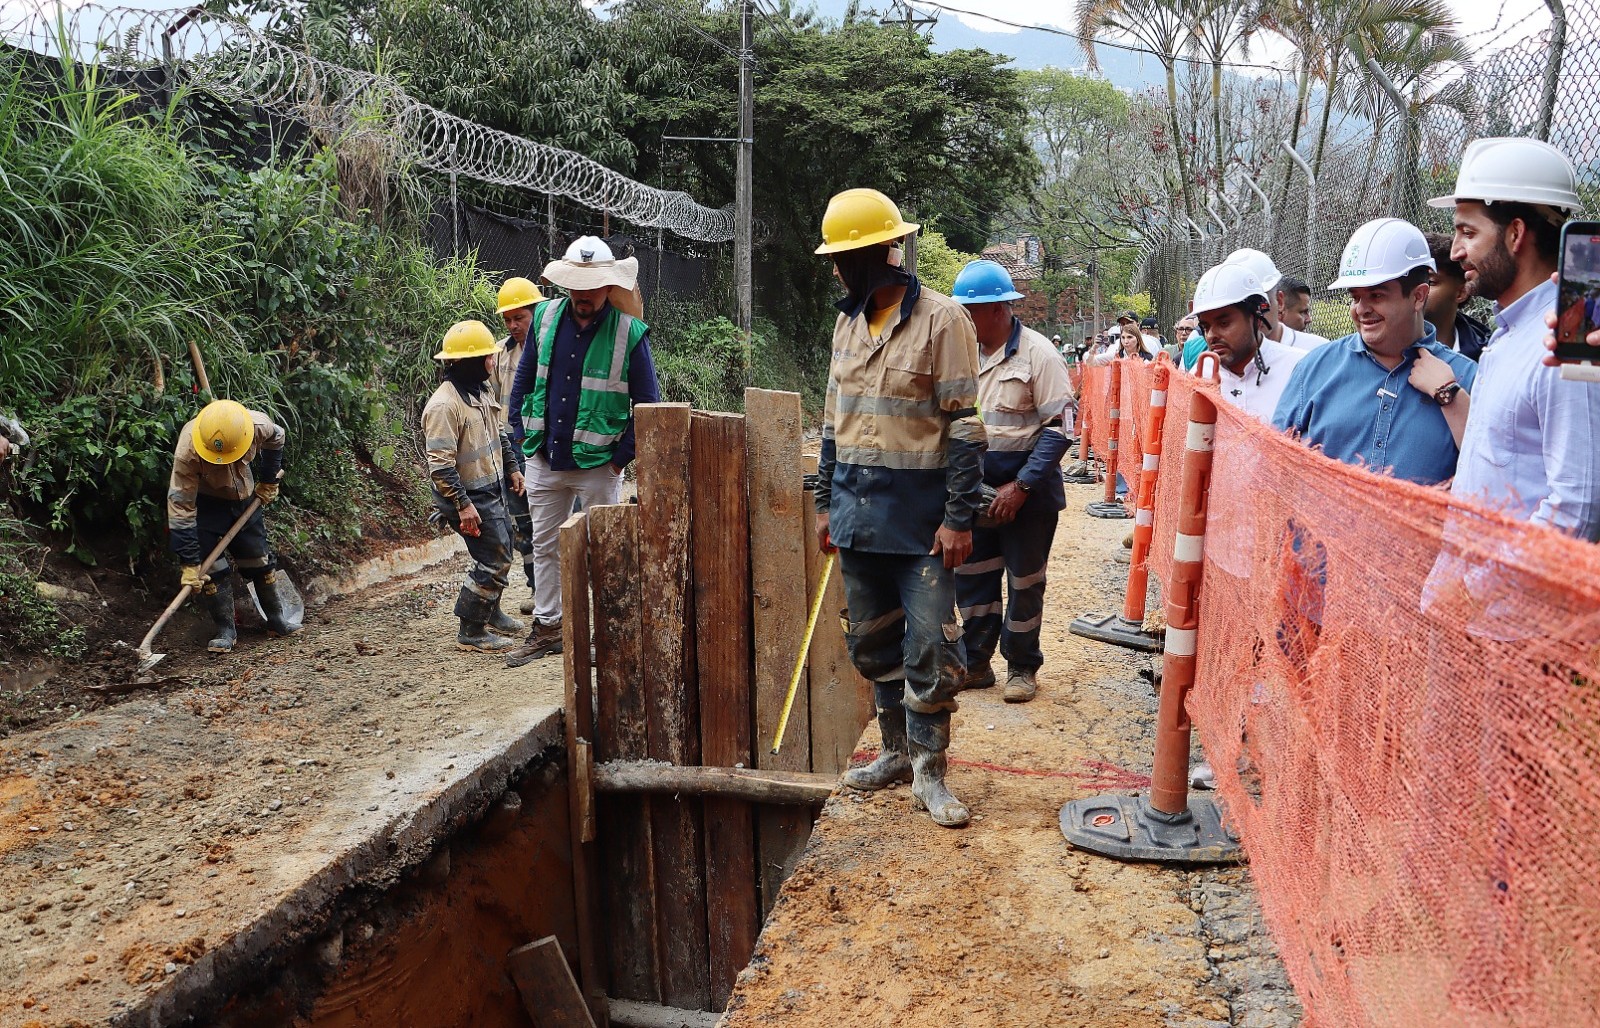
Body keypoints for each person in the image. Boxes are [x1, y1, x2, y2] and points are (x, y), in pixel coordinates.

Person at [814, 188, 986, 828]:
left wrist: (958, 518)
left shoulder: (943, 322)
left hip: (921, 524)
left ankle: (930, 771)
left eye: (841, 259)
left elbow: (965, 429)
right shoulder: (847, 322)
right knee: (873, 642)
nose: (835, 270)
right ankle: (892, 753)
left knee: (932, 649)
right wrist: (826, 505)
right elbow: (834, 422)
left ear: (869, 256)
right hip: (859, 515)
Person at [1430, 136, 1600, 538]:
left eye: (1468, 232)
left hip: (1503, 597)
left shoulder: (1569, 340)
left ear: (1516, 234)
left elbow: (1578, 507)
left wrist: (1489, 587)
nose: (1455, 251)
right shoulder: (1507, 334)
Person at [506, 236, 662, 666]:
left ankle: (605, 636)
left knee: (604, 548)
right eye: (577, 285)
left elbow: (648, 406)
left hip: (598, 465)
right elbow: (524, 380)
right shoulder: (545, 319)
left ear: (609, 287)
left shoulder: (629, 333)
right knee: (545, 544)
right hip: (544, 458)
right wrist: (519, 434)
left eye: (593, 288)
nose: (584, 295)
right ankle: (548, 627)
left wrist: (619, 459)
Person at [947, 259, 1071, 705]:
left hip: (1027, 496)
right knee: (973, 582)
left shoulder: (1040, 355)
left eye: (971, 310)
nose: (964, 319)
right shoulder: (960, 354)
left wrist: (1020, 488)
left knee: (1024, 583)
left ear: (999, 309)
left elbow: (1061, 428)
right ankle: (976, 663)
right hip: (975, 494)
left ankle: (1021, 666)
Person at [1273, 218, 1478, 486]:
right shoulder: (1315, 369)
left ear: (1418, 296)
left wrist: (1449, 395)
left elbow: (1490, 482)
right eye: (1355, 297)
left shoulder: (1467, 379)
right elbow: (1272, 469)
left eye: (1377, 296)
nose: (1362, 309)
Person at [423, 321, 526, 653]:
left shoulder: (481, 391)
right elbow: (440, 465)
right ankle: (471, 627)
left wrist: (512, 469)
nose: (492, 362)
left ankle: (491, 610)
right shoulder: (444, 405)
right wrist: (463, 505)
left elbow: (500, 433)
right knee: (494, 558)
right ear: (468, 361)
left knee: (503, 546)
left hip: (491, 487)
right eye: (487, 357)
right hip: (468, 496)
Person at [167, 399, 300, 653]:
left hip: (244, 499)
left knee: (258, 559)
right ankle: (226, 630)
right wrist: (189, 562)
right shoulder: (188, 450)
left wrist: (269, 480)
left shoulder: (257, 424)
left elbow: (278, 438)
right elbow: (180, 506)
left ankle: (276, 619)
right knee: (211, 567)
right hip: (207, 504)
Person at [491, 277, 546, 614]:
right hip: (513, 445)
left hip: (548, 444)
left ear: (535, 313)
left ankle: (564, 589)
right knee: (524, 522)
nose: (513, 325)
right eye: (507, 319)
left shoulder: (552, 346)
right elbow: (493, 404)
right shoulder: (498, 354)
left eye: (519, 318)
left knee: (556, 520)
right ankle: (538, 590)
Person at [1191, 263, 1307, 421]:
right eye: (1206, 326)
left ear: (1256, 318)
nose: (1211, 335)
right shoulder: (1199, 376)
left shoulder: (1298, 370)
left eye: (1224, 323)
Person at [1227, 248, 1331, 352]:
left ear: (1280, 301)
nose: (1253, 315)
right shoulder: (1219, 358)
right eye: (1240, 308)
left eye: (1259, 304)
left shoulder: (1318, 351)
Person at [1422, 233, 1490, 360]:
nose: (1417, 290)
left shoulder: (1486, 355)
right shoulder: (1379, 347)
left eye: (1430, 282)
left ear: (1461, 292)